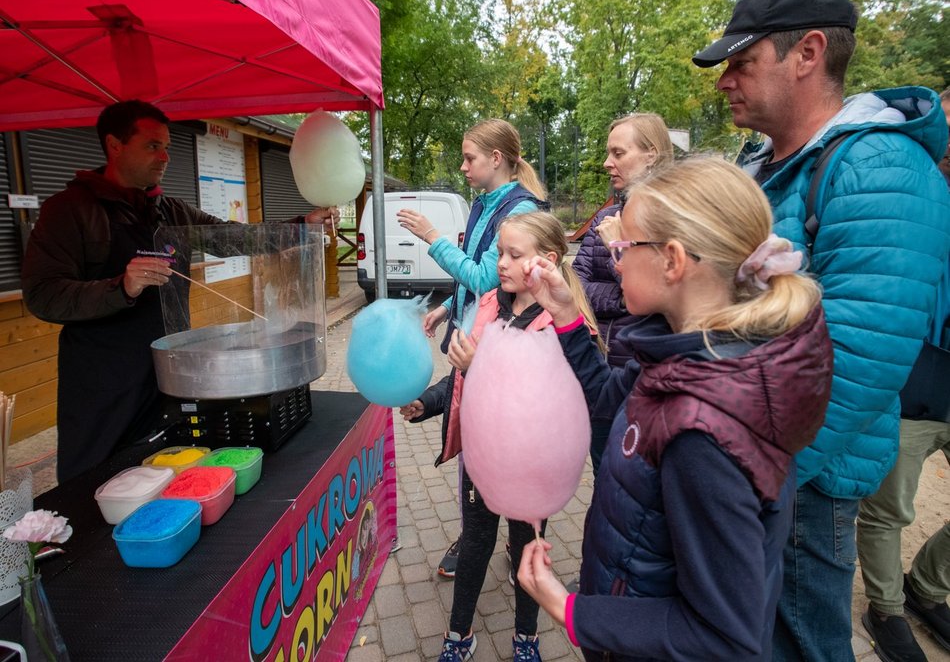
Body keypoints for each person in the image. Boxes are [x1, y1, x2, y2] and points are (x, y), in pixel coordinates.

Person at [690, 0, 950, 660]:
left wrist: (754, 473)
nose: (724, 82)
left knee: (801, 640)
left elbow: (861, 362)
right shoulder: (769, 165)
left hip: (800, 479)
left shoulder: (879, 169)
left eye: (741, 63)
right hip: (757, 459)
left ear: (806, 53)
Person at [516, 157, 832, 661]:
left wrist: (569, 610)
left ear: (672, 260)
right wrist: (565, 313)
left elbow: (726, 636)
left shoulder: (702, 431)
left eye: (624, 246)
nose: (614, 260)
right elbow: (604, 398)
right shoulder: (682, 348)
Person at [21, 100, 337, 483]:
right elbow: (42, 294)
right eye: (152, 146)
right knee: (99, 481)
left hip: (170, 373)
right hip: (105, 386)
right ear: (114, 145)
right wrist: (120, 286)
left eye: (167, 146)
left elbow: (231, 238)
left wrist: (300, 225)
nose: (166, 157)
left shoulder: (168, 210)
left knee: (170, 468)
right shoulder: (69, 211)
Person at [399, 212, 599, 662]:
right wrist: (428, 404)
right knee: (474, 544)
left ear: (546, 260)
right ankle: (458, 635)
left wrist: (480, 368)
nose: (501, 263)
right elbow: (460, 377)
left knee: (526, 548)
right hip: (481, 456)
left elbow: (555, 402)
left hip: (532, 466)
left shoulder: (561, 326)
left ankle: (525, 639)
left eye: (513, 254)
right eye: (500, 253)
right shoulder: (489, 304)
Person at [397, 118, 548, 579]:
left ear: (496, 159)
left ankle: (497, 531)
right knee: (470, 430)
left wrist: (430, 238)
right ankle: (479, 524)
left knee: (490, 438)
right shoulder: (484, 203)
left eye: (470, 158)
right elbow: (476, 277)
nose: (463, 167)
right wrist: (446, 307)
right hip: (473, 330)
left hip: (501, 343)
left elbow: (486, 277)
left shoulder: (517, 210)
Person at [855, 86, 950, 661]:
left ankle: (928, 586)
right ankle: (887, 609)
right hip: (912, 387)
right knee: (890, 510)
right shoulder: (916, 193)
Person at [572, 112, 674, 475]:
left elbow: (661, 293)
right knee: (604, 473)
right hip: (603, 369)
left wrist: (618, 249)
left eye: (618, 152)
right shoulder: (606, 216)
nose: (607, 163)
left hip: (643, 374)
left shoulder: (672, 218)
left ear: (651, 155)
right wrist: (621, 298)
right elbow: (577, 282)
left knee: (636, 476)